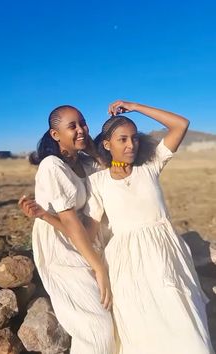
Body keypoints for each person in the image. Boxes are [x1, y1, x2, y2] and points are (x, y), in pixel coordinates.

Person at [82, 100, 214, 354]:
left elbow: (180, 125)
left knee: (188, 331)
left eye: (134, 138)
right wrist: (52, 220)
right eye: (122, 139)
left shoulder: (150, 167)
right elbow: (89, 230)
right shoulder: (97, 182)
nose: (131, 145)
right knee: (143, 333)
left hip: (167, 257)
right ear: (107, 145)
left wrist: (134, 106)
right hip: (127, 265)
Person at [19, 105, 116, 354]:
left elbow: (112, 174)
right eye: (72, 126)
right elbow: (70, 221)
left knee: (111, 319)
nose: (81, 129)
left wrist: (93, 148)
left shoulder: (82, 161)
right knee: (97, 326)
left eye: (83, 123)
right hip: (62, 248)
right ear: (55, 135)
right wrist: (98, 267)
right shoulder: (52, 166)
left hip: (86, 240)